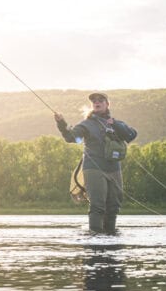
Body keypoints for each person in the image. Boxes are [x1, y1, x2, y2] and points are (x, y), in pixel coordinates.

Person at [55, 92, 137, 234]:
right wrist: (61, 123)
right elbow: (70, 137)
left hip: (114, 168)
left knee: (114, 205)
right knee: (98, 205)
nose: (97, 102)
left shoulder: (116, 123)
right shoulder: (86, 124)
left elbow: (132, 134)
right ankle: (95, 238)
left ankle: (110, 235)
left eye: (100, 100)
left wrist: (115, 124)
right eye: (94, 101)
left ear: (107, 104)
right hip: (93, 168)